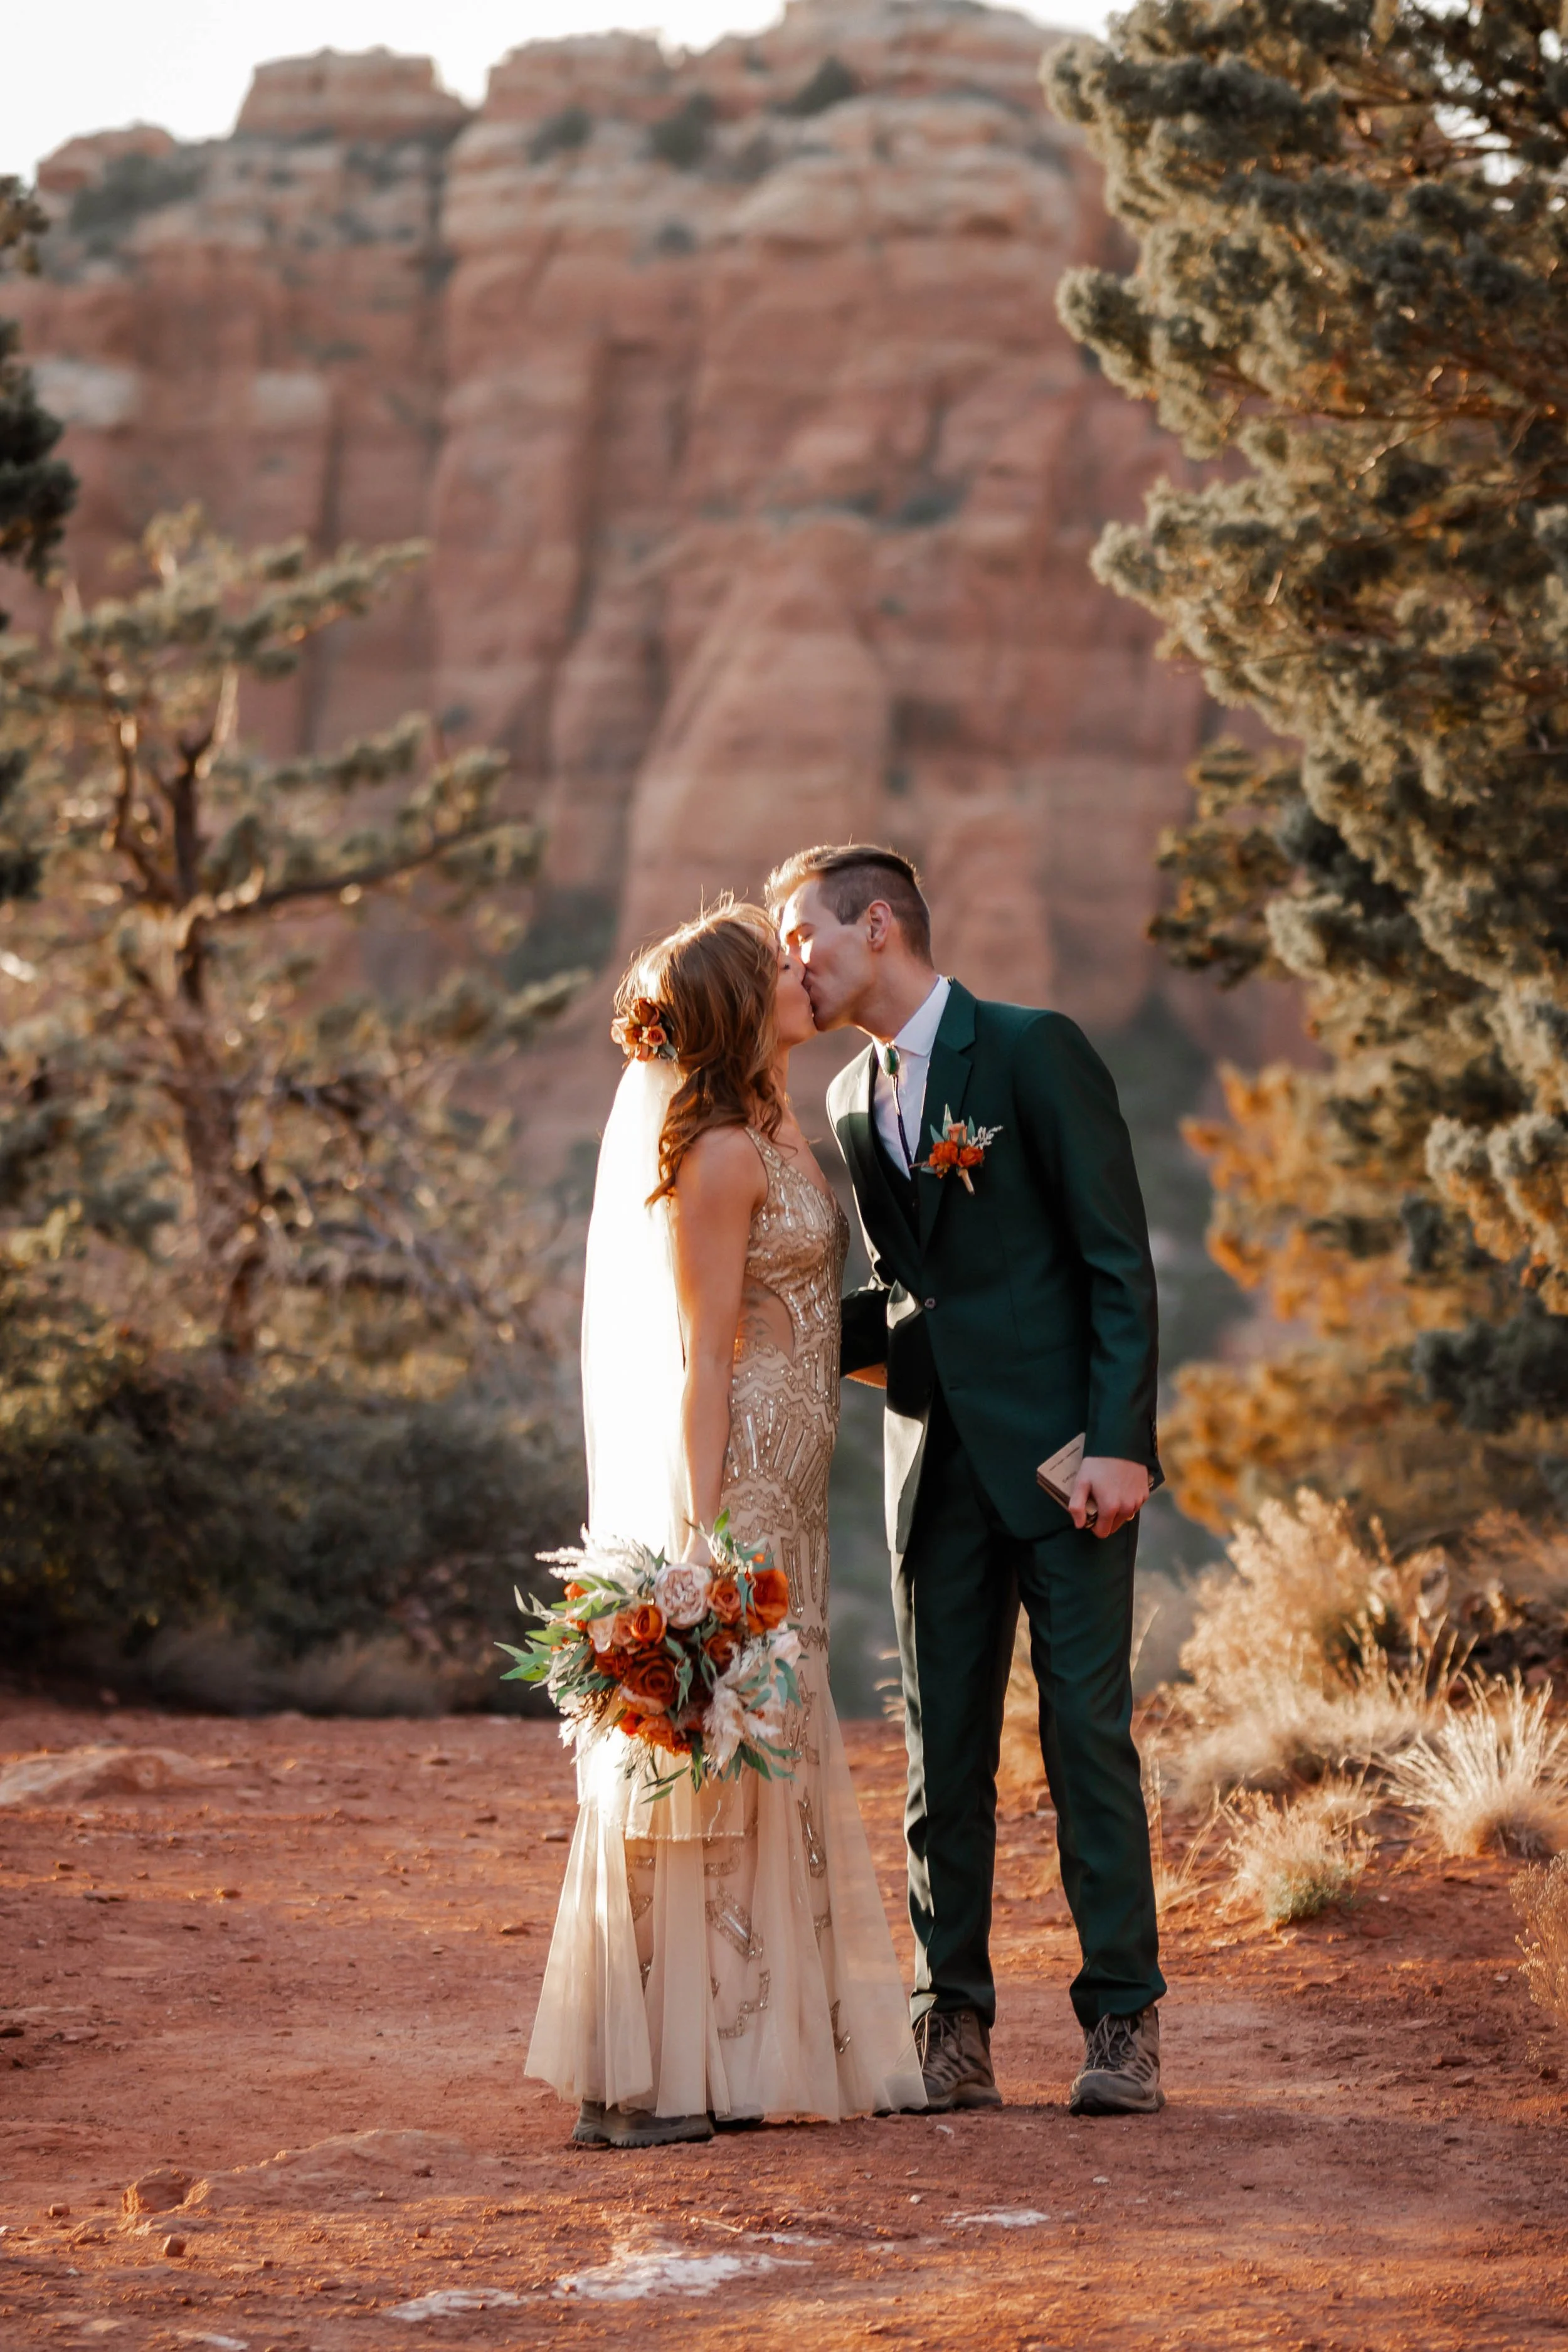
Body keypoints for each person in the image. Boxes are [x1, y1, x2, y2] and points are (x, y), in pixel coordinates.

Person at [770, 844, 1166, 2118]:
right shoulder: (847, 1100)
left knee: (1084, 1736)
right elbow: (905, 1300)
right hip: (930, 1462)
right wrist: (765, 1333)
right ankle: (952, 2028)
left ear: (875, 924)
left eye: (805, 938)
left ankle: (1120, 2026)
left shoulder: (1034, 1050)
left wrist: (1122, 1441)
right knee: (941, 1753)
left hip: (1066, 1467)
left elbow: (1114, 1262)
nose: (795, 964)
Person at [527, 900, 925, 2146]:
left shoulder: (777, 1122)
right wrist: (697, 1543)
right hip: (738, 1473)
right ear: (739, 1011)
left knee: (766, 1741)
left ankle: (742, 2049)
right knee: (704, 1748)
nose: (801, 975)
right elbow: (702, 1355)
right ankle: (643, 2074)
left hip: (795, 1475)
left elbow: (810, 1316)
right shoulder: (715, 1151)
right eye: (777, 969)